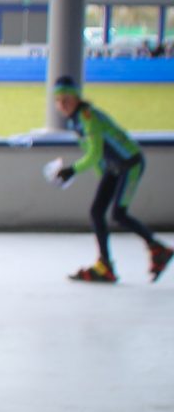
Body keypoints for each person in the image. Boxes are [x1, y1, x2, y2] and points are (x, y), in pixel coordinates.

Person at [45, 75, 171, 283]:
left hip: (130, 164)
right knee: (97, 212)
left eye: (67, 98)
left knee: (119, 214)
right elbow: (97, 156)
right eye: (58, 100)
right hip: (114, 168)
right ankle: (105, 265)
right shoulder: (76, 120)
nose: (62, 104)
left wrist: (72, 170)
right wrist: (101, 178)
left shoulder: (87, 117)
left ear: (77, 98)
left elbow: (94, 153)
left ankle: (158, 249)